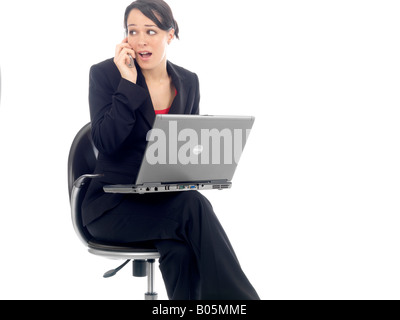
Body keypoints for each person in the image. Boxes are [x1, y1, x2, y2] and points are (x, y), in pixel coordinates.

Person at [82, 0, 259, 300]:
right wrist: (128, 85)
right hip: (110, 206)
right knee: (194, 206)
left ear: (170, 34)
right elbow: (104, 142)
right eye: (132, 31)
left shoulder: (188, 82)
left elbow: (186, 152)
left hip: (162, 205)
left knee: (180, 248)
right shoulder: (105, 75)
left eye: (150, 31)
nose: (139, 40)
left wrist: (204, 171)